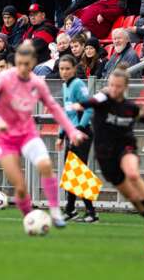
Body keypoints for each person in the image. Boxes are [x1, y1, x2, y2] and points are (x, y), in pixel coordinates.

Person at [0, 42, 86, 228]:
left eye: (27, 64)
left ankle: (56, 212)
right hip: (3, 137)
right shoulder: (3, 79)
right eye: (20, 63)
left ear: (33, 62)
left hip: (27, 133)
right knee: (20, 186)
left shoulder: (37, 83)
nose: (23, 68)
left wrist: (72, 130)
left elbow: (54, 107)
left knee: (46, 165)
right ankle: (30, 218)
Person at [71, 66, 144, 226]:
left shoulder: (130, 107)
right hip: (105, 155)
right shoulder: (102, 101)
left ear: (125, 87)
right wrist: (81, 105)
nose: (114, 89)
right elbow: (92, 101)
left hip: (125, 147)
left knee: (133, 174)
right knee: (133, 197)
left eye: (118, 86)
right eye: (112, 85)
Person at [54, 55, 98, 223]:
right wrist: (61, 135)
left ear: (74, 69)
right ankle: (71, 209)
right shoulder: (65, 85)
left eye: (67, 68)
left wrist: (79, 129)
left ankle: (91, 212)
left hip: (82, 133)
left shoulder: (78, 84)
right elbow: (67, 114)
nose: (64, 72)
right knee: (72, 171)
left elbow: (89, 109)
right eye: (61, 69)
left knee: (77, 171)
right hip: (72, 133)